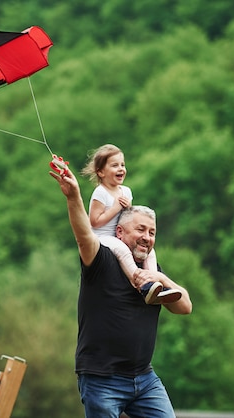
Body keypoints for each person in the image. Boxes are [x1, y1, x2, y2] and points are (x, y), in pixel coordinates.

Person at [50, 162, 192, 418]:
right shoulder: (101, 260)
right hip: (101, 378)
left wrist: (160, 276)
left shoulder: (152, 271)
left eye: (152, 232)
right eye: (140, 229)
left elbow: (185, 307)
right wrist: (73, 197)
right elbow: (83, 235)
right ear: (119, 232)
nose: (147, 237)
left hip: (144, 378)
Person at [81, 144, 181, 304]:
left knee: (150, 251)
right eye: (114, 165)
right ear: (101, 172)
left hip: (119, 233)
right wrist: (116, 208)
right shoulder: (100, 193)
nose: (121, 169)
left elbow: (128, 217)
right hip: (103, 236)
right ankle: (141, 284)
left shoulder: (126, 191)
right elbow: (94, 222)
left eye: (122, 164)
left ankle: (154, 283)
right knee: (122, 250)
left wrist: (128, 208)